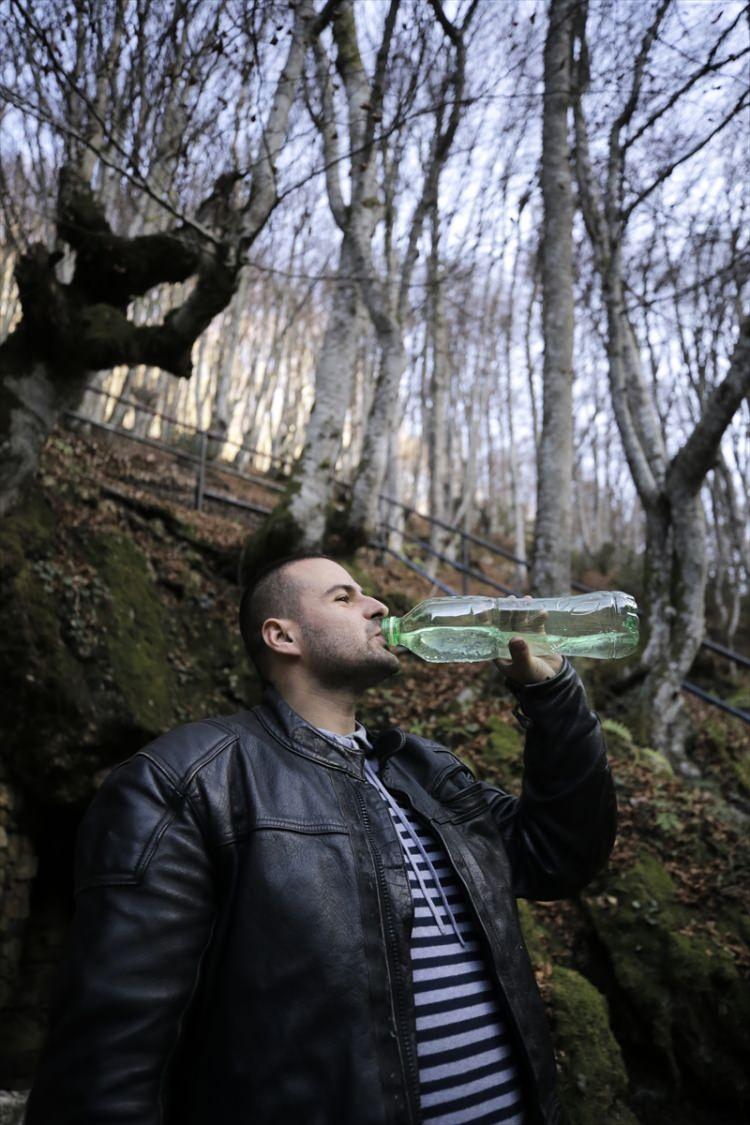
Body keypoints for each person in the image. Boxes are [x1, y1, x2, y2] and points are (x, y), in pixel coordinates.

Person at [25, 553, 616, 1125]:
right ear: (284, 637)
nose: (377, 604)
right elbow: (109, 1057)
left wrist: (553, 694)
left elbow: (558, 855)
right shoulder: (191, 780)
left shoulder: (427, 771)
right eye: (344, 596)